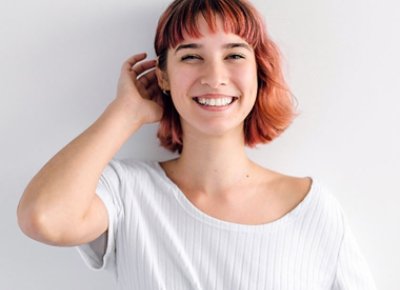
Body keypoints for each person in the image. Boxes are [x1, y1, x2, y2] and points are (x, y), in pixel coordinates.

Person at [17, 0, 377, 289]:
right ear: (163, 76)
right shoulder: (128, 193)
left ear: (258, 71)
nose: (214, 77)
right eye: (191, 56)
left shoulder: (312, 210)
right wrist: (124, 112)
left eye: (234, 55)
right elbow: (43, 218)